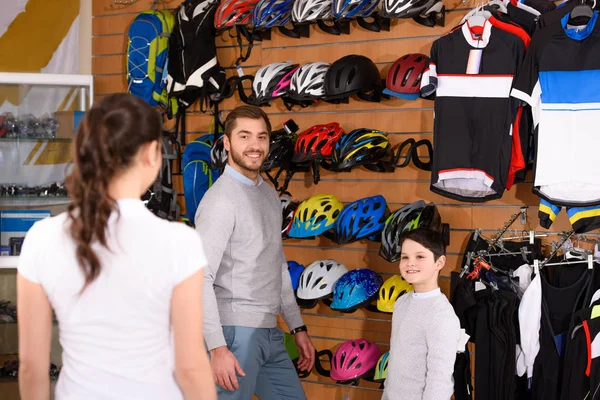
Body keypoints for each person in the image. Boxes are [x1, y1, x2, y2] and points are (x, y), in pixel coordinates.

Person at [16, 94, 216, 400]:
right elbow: (189, 367)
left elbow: (32, 367)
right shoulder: (180, 242)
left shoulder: (41, 237)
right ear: (152, 153)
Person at [195, 105, 315, 399]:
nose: (254, 146)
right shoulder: (220, 201)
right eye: (244, 136)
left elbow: (276, 265)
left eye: (261, 137)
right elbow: (200, 276)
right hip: (234, 334)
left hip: (269, 331)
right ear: (227, 143)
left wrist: (297, 326)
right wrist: (217, 347)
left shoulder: (267, 193)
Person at [382, 228, 460, 400]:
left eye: (420, 257)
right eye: (405, 257)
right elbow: (395, 363)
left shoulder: (441, 315)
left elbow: (440, 381)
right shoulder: (401, 303)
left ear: (439, 263)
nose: (410, 263)